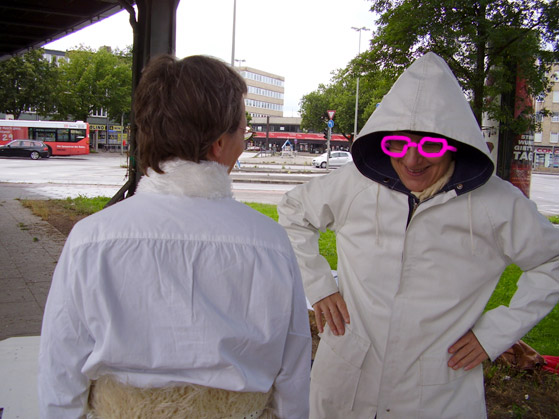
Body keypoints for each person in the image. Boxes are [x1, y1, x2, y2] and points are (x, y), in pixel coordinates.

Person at [278, 52, 559, 418]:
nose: (412, 161)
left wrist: (495, 334)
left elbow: (551, 261)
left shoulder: (496, 203)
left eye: (429, 145)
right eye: (398, 144)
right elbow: (293, 213)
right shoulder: (357, 184)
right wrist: (319, 285)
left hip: (437, 389)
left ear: (453, 143)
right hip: (347, 374)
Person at [38, 54, 311, 419]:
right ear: (218, 144)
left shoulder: (92, 239)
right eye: (242, 131)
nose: (244, 143)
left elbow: (61, 366)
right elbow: (292, 371)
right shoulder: (269, 243)